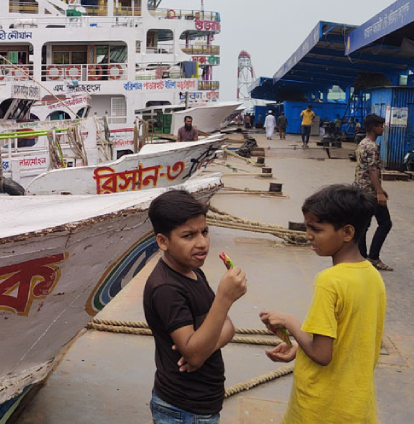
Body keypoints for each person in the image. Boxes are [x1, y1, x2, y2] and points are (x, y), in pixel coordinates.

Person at [260, 185, 385, 424]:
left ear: (347, 233)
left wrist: (290, 323)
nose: (308, 235)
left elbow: (322, 354)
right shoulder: (372, 275)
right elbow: (351, 339)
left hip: (321, 408)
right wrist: (300, 347)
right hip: (357, 406)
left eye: (316, 229)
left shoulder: (329, 281)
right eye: (307, 227)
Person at [143, 190, 248, 423]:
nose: (202, 243)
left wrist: (201, 348)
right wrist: (224, 298)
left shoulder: (193, 272)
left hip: (200, 405)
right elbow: (195, 352)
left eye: (205, 232)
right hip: (182, 410)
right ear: (163, 241)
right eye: (188, 235)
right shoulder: (167, 288)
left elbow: (227, 328)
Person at [353, 113, 393, 271]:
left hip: (360, 188)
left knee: (364, 224)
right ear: (374, 128)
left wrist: (381, 188)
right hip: (369, 192)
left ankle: (362, 257)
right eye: (381, 126)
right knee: (385, 223)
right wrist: (379, 192)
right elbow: (372, 169)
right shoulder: (372, 146)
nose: (383, 129)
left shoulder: (362, 143)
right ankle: (373, 258)